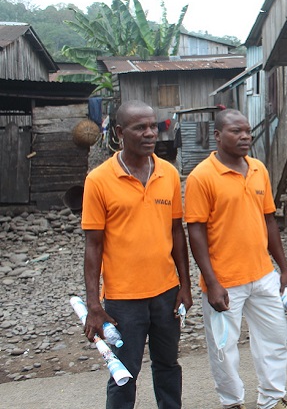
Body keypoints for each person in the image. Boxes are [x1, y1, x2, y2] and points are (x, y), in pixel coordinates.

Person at [81, 100, 192, 408]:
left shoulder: (168, 174)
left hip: (166, 294)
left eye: (153, 126)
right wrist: (93, 304)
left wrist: (185, 285)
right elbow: (93, 245)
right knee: (124, 373)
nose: (149, 133)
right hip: (123, 300)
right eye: (139, 127)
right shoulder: (99, 180)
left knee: (168, 365)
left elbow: (175, 233)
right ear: (119, 132)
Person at [185, 109, 287, 409]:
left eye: (247, 131)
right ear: (218, 136)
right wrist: (211, 281)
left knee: (274, 339)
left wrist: (284, 271)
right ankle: (232, 402)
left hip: (263, 275)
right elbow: (195, 232)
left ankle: (271, 400)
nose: (245, 136)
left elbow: (270, 221)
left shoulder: (259, 168)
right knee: (223, 348)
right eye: (236, 131)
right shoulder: (201, 177)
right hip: (224, 281)